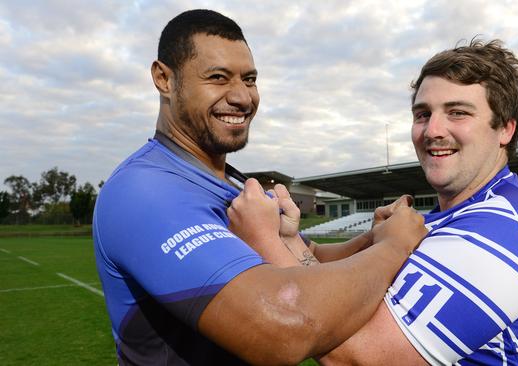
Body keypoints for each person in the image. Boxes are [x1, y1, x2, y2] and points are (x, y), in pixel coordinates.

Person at [92, 9, 426, 365]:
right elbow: (282, 331)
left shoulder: (233, 184)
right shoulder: (143, 192)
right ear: (164, 79)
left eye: (249, 79)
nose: (242, 97)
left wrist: (372, 238)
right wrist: (394, 246)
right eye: (218, 78)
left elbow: (307, 257)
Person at [246, 39, 518, 365]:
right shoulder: (444, 218)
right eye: (422, 114)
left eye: (457, 113)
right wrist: (289, 239)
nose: (432, 130)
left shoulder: (504, 229)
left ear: (505, 130)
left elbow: (356, 356)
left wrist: (263, 239)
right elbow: (333, 297)